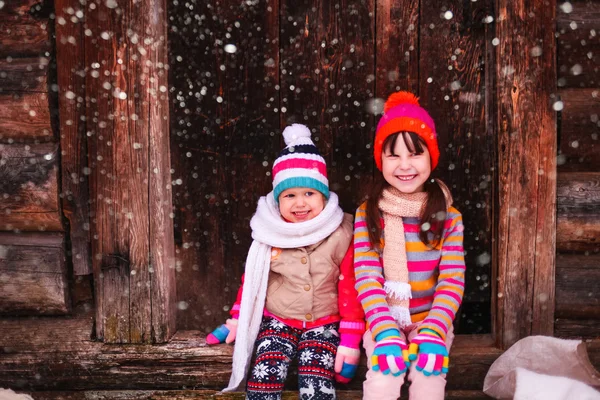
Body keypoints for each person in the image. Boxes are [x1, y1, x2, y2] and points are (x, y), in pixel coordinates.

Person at [206, 123, 365, 400]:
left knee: (316, 382)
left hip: (325, 324)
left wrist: (350, 339)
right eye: (289, 195)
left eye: (309, 194)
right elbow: (253, 281)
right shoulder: (269, 233)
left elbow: (351, 286)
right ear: (277, 200)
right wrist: (236, 320)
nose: (300, 204)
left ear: (324, 196)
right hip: (277, 321)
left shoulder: (343, 232)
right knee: (264, 376)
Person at [353, 91, 466, 400]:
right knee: (383, 380)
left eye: (415, 153)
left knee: (429, 379)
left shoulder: (449, 216)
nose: (405, 165)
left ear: (431, 157)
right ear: (381, 160)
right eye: (394, 155)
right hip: (383, 321)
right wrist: (385, 329)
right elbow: (366, 276)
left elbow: (452, 280)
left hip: (430, 322)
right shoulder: (368, 212)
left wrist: (435, 328)